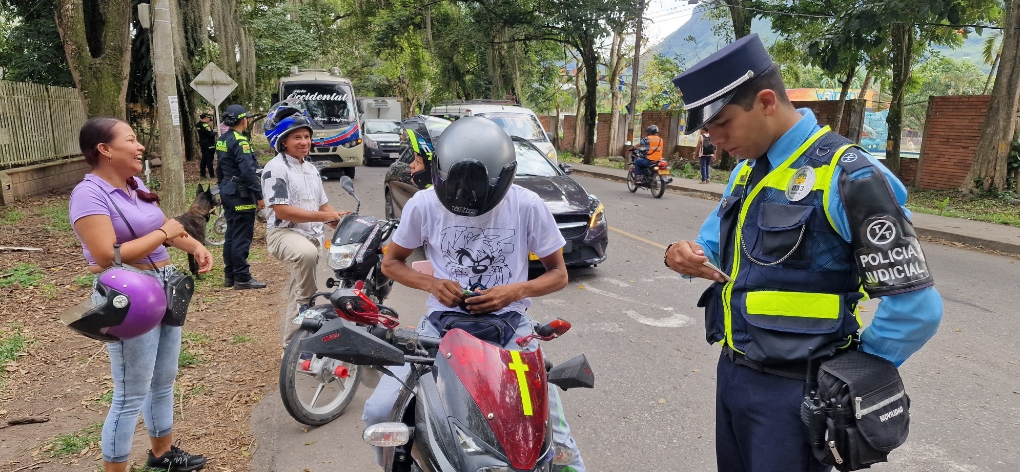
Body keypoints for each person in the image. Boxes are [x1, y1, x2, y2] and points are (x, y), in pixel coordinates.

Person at [664, 34, 943, 472]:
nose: (715, 141)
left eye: (723, 124)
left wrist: (855, 373)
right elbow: (712, 247)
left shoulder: (848, 175)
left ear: (767, 102)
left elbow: (916, 308)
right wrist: (679, 255)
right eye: (706, 131)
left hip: (800, 394)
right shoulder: (745, 172)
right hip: (734, 374)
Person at [363, 116, 586, 471]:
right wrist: (433, 284)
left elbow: (559, 274)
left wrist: (514, 291)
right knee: (379, 411)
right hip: (440, 327)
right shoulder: (423, 204)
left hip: (510, 325)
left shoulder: (527, 205)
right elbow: (392, 264)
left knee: (555, 437)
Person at [69, 117, 213, 472]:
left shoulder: (135, 185)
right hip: (128, 294)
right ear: (105, 150)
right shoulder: (88, 194)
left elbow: (166, 228)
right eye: (131, 139)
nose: (140, 146)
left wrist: (193, 245)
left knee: (163, 379)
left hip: (163, 286)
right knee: (131, 392)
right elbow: (106, 255)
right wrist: (165, 232)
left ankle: (162, 456)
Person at [260, 101, 347, 344]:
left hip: (311, 236)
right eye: (297, 137)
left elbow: (323, 206)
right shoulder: (275, 169)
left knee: (296, 288)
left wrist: (339, 218)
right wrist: (323, 216)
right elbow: (282, 211)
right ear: (283, 141)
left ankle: (291, 345)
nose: (304, 142)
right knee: (306, 262)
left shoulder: (310, 169)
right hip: (282, 233)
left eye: (307, 136)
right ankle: (308, 306)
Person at [216, 104, 266, 290]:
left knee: (231, 234)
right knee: (242, 236)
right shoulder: (241, 141)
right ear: (243, 120)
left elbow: (219, 167)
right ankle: (243, 278)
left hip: (227, 190)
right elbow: (248, 172)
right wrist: (259, 195)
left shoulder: (223, 138)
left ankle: (230, 275)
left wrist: (221, 186)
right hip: (241, 193)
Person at [195, 113, 217, 179]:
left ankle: (202, 174)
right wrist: (215, 132)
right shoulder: (205, 125)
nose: (209, 120)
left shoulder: (198, 124)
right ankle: (212, 175)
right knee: (209, 160)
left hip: (203, 144)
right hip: (209, 144)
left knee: (204, 159)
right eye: (209, 119)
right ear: (205, 118)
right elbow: (211, 134)